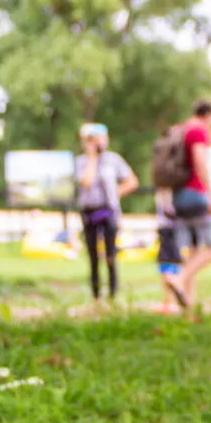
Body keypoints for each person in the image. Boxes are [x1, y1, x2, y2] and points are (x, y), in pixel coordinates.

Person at [165, 99, 211, 310]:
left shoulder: (180, 129)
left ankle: (187, 303)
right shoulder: (199, 131)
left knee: (194, 250)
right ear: (209, 115)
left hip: (178, 195)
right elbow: (199, 162)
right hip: (196, 194)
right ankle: (179, 279)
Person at [74, 122, 138, 302]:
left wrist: (117, 192)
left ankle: (112, 294)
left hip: (108, 211)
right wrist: (92, 158)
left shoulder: (113, 160)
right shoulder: (81, 162)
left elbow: (132, 181)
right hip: (89, 211)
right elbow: (86, 182)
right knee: (93, 256)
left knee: (111, 254)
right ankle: (95, 295)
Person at [155, 187, 183, 314]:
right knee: (171, 265)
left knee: (167, 265)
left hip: (167, 231)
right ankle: (169, 302)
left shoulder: (163, 191)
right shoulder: (170, 192)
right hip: (171, 231)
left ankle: (168, 302)